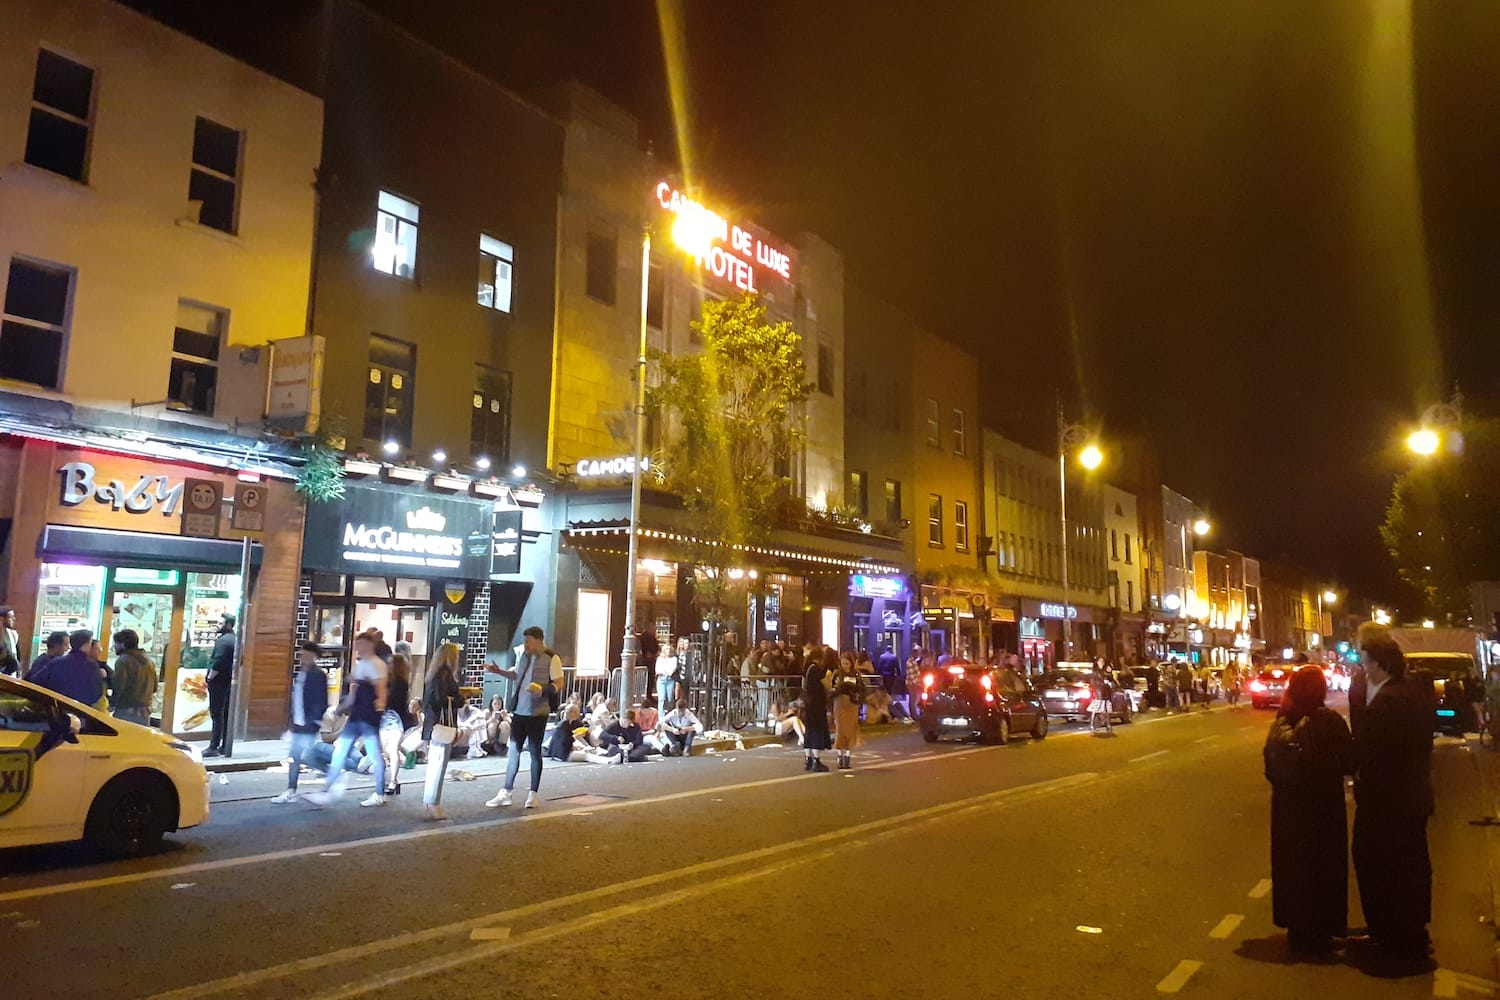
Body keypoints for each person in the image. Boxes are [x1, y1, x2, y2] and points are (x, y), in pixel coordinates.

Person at [1351, 623, 1435, 966]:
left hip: (1385, 803)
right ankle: (1411, 933)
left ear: (1378, 663)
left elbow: (1373, 756)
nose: (1363, 669)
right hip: (1413, 797)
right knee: (1411, 868)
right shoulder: (1413, 694)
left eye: (1365, 662)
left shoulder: (1385, 703)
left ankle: (1390, 938)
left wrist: (1359, 782)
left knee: (1381, 868)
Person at [1263, 664, 1355, 955]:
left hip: (1288, 808)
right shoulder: (1329, 722)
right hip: (1323, 805)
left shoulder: (1282, 720)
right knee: (1323, 866)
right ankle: (1321, 929)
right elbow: (1351, 761)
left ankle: (1297, 927)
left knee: (1293, 867)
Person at [304, 631, 389, 808]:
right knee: (340, 752)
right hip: (357, 716)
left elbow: (381, 693)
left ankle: (380, 793)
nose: (356, 648)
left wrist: (377, 712)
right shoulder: (361, 665)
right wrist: (341, 709)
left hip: (367, 717)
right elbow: (354, 692)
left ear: (369, 645)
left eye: (359, 645)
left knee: (373, 755)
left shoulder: (377, 665)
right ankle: (328, 790)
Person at [484, 625, 562, 809]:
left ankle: (533, 794)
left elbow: (559, 683)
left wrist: (542, 689)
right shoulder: (523, 655)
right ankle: (506, 791)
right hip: (519, 710)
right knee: (513, 751)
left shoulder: (552, 658)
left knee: (534, 752)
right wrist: (499, 671)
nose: (525, 644)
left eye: (528, 641)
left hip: (538, 712)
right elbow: (516, 675)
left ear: (539, 641)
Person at [272, 642, 330, 804]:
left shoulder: (318, 675)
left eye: (306, 654)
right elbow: (296, 699)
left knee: (305, 757)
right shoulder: (301, 673)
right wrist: (292, 721)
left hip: (309, 724)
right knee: (295, 756)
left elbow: (321, 701)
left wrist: (313, 720)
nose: (303, 657)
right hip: (298, 723)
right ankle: (291, 790)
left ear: (314, 656)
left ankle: (333, 773)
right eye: (302, 654)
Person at [419, 641, 464, 820]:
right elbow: (441, 700)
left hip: (433, 724)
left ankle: (428, 801)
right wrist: (459, 699)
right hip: (442, 725)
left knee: (433, 766)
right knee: (439, 766)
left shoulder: (434, 675)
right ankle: (433, 803)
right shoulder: (445, 676)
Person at [29, 628, 103, 708]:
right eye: (90, 643)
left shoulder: (57, 662)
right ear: (85, 645)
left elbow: (36, 681)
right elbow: (96, 695)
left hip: (56, 708)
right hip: (82, 710)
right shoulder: (91, 666)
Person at [379, 651, 415, 797]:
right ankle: (391, 780)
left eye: (390, 663)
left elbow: (392, 701)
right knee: (387, 750)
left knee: (392, 749)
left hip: (394, 718)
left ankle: (392, 781)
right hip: (387, 718)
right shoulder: (390, 681)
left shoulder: (400, 683)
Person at [202, 614, 236, 757]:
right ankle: (224, 745)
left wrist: (210, 677)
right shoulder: (234, 639)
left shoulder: (223, 641)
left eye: (221, 623)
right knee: (226, 714)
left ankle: (213, 746)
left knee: (216, 714)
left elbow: (218, 661)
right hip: (227, 681)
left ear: (228, 625)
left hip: (218, 683)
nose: (218, 625)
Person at [108, 628, 157, 726]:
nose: (114, 646)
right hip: (145, 711)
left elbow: (119, 686)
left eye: (116, 643)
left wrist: (111, 704)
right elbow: (154, 687)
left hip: (126, 710)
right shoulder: (149, 662)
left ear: (123, 644)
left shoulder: (123, 661)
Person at [830, 652, 867, 771]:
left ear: (851, 663)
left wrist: (856, 692)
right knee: (840, 729)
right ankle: (840, 755)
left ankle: (847, 756)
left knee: (850, 730)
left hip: (852, 704)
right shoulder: (837, 673)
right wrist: (839, 688)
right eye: (843, 663)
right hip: (840, 703)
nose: (845, 666)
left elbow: (862, 688)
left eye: (847, 663)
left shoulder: (856, 674)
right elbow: (832, 688)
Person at [802, 647, 833, 772]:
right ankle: (816, 760)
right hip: (817, 703)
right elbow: (827, 685)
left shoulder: (807, 668)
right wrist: (829, 676)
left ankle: (808, 759)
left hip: (809, 702)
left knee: (809, 731)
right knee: (817, 731)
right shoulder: (817, 669)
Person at [0, 607, 19, 675]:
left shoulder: (13, 634)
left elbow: (17, 657)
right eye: (11, 617)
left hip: (10, 677)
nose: (14, 619)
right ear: (1, 619)